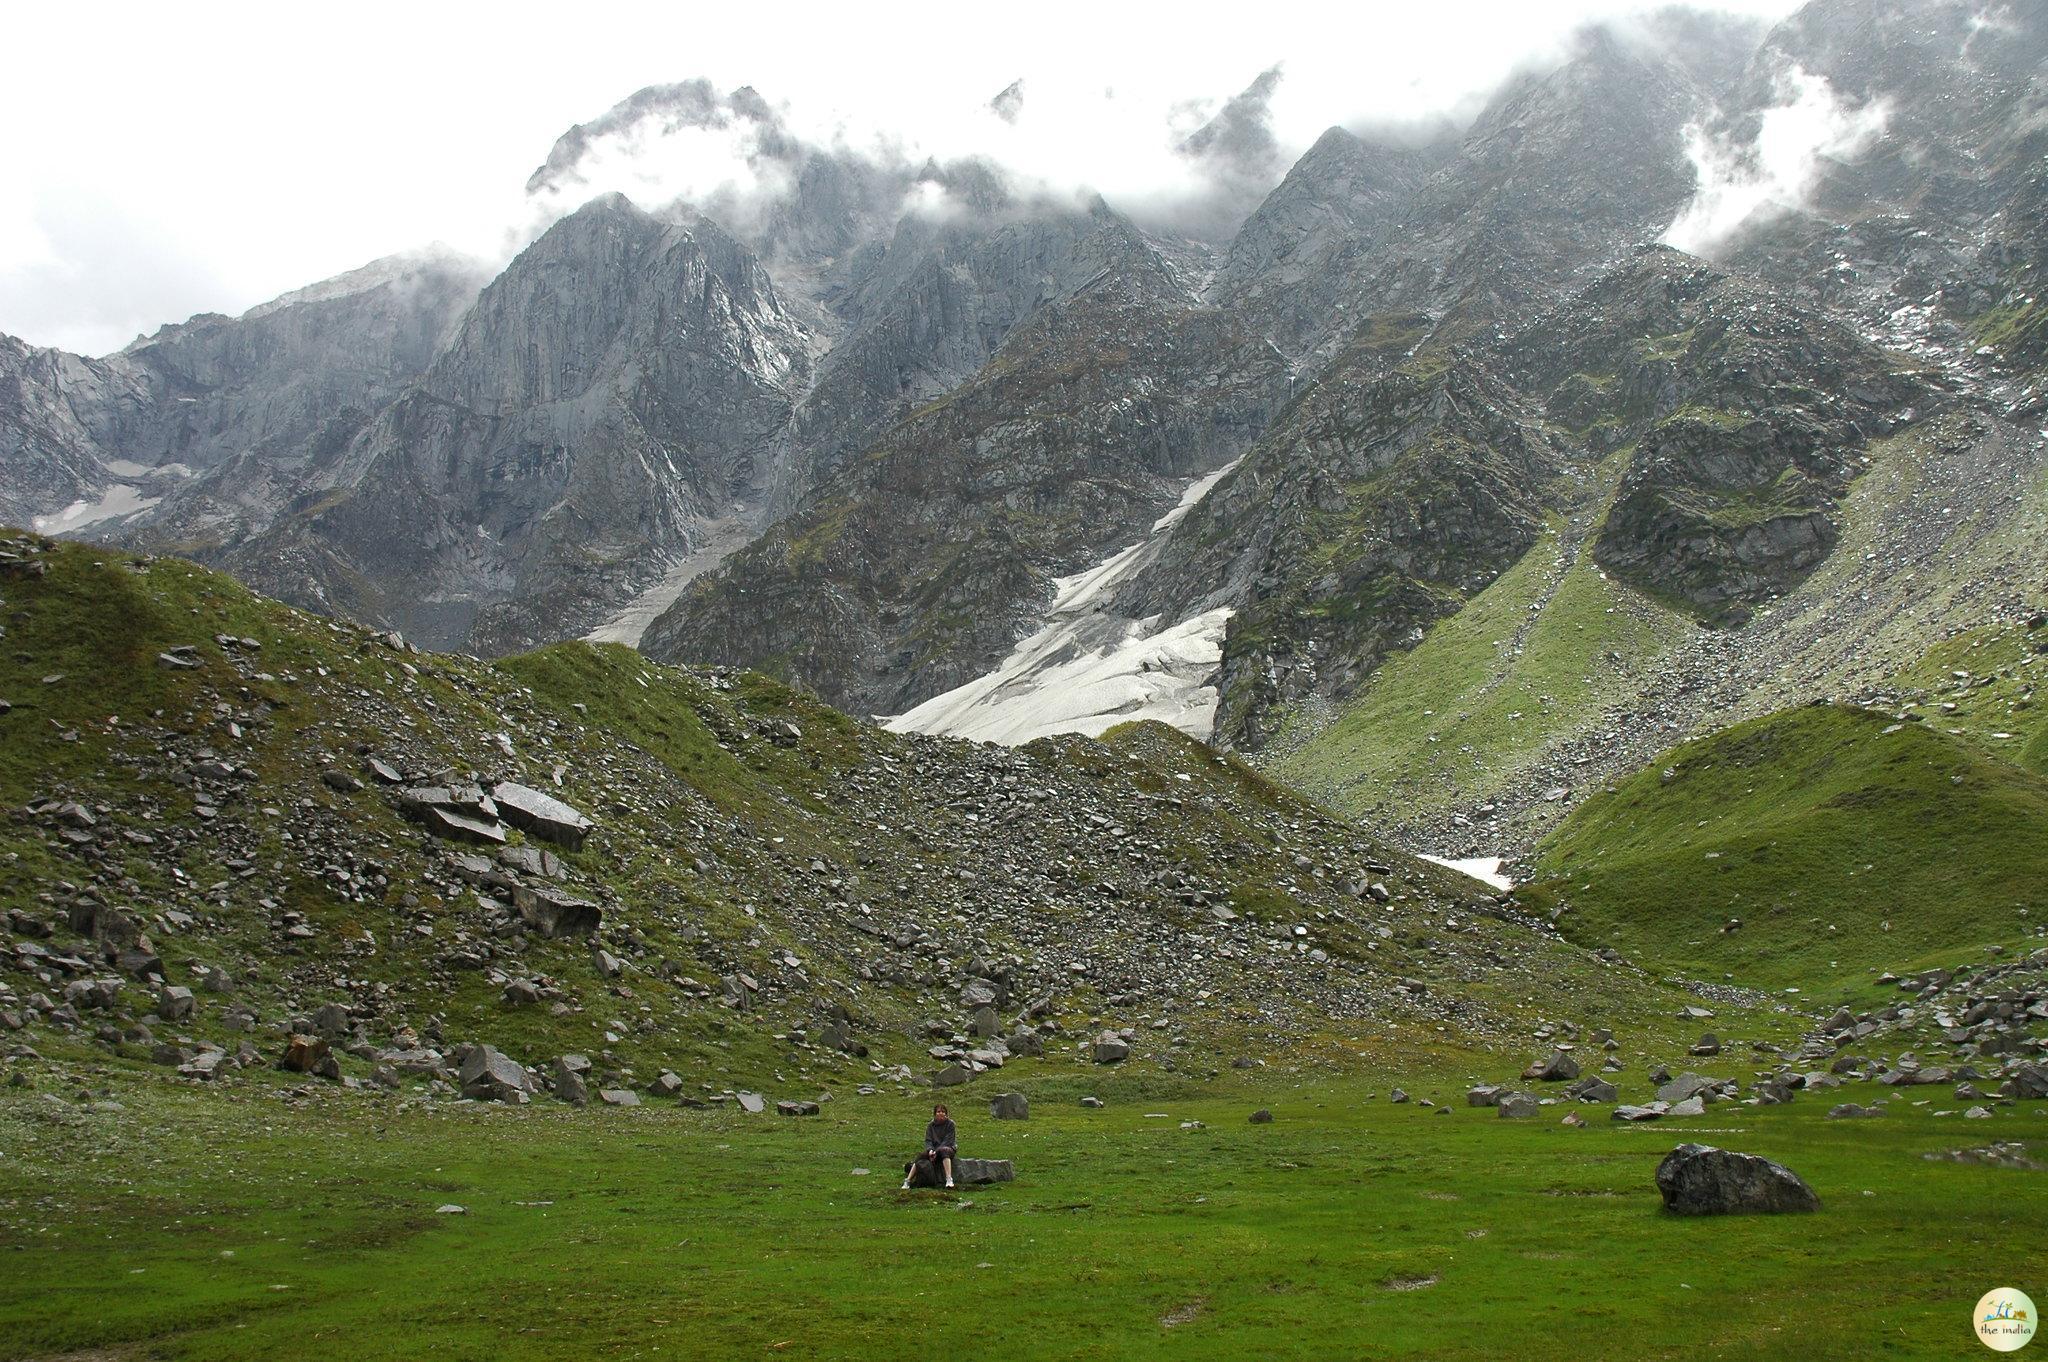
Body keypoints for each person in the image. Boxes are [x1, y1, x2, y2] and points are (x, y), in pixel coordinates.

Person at [903, 1103, 958, 1189]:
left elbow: (948, 1140)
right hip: (934, 1150)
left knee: (944, 1151)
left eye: (943, 1112)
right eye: (939, 1111)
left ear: (946, 1114)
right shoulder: (930, 1126)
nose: (941, 1113)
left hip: (948, 1148)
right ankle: (908, 1180)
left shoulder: (950, 1124)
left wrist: (937, 1151)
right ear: (935, 1114)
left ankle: (949, 1179)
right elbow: (928, 1140)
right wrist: (930, 1150)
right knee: (921, 1155)